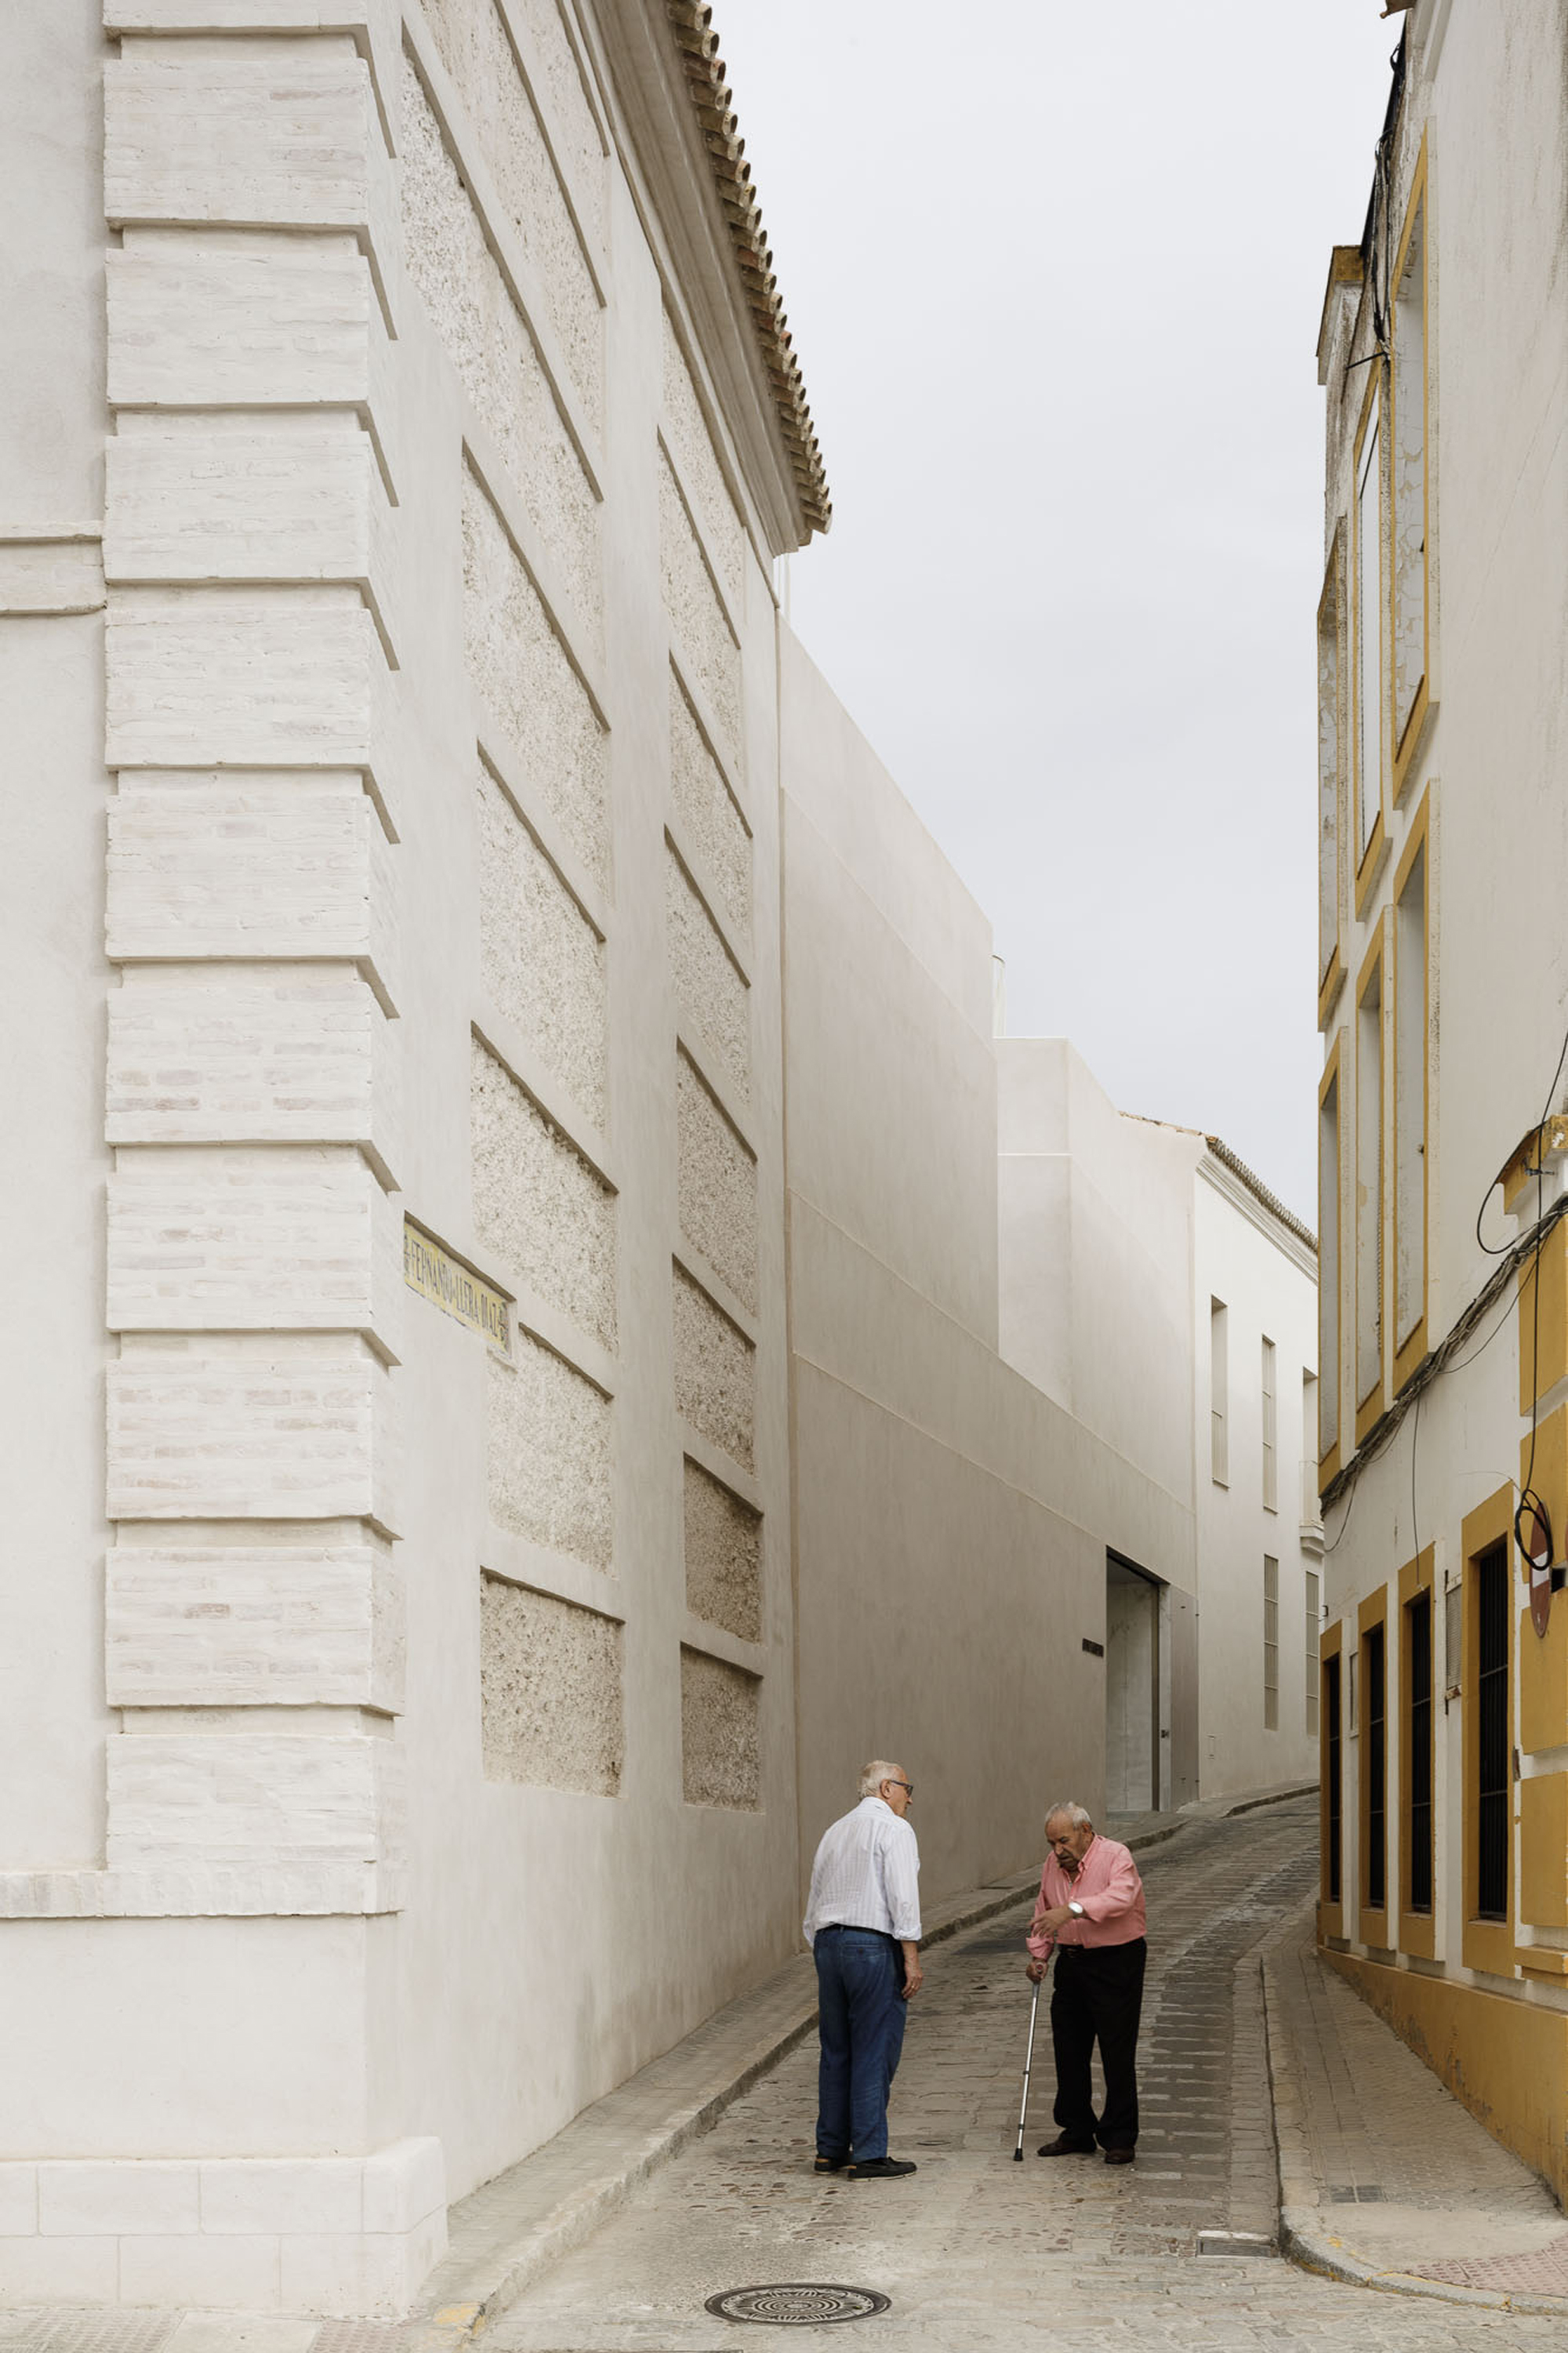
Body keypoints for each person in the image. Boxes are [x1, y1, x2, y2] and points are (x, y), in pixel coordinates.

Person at [802, 1759, 924, 2180]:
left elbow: (815, 1896)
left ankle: (830, 2150)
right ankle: (869, 2153)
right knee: (875, 2047)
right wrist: (911, 1956)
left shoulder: (835, 1831)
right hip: (871, 1944)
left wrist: (822, 1946)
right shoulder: (894, 1828)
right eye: (907, 1788)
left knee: (836, 2050)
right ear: (887, 1788)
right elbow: (903, 1896)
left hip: (828, 1943)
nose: (910, 1799)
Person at [1024, 1801, 1147, 2166]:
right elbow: (1044, 1910)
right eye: (1051, 1843)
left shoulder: (1116, 1856)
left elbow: (1121, 1898)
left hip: (1116, 1961)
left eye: (1063, 1841)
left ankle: (1119, 2136)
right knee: (1069, 2048)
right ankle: (1076, 2129)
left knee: (1116, 2049)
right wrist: (1040, 1955)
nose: (1057, 1850)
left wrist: (1074, 1909)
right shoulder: (1052, 1865)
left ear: (1086, 1832)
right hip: (1073, 1961)